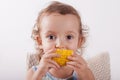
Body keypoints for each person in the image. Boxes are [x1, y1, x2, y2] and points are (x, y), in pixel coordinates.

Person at [26, 1, 95, 80]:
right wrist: (39, 73)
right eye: (51, 37)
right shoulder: (34, 73)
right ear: (40, 41)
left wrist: (85, 73)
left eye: (69, 37)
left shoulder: (84, 72)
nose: (60, 45)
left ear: (79, 41)